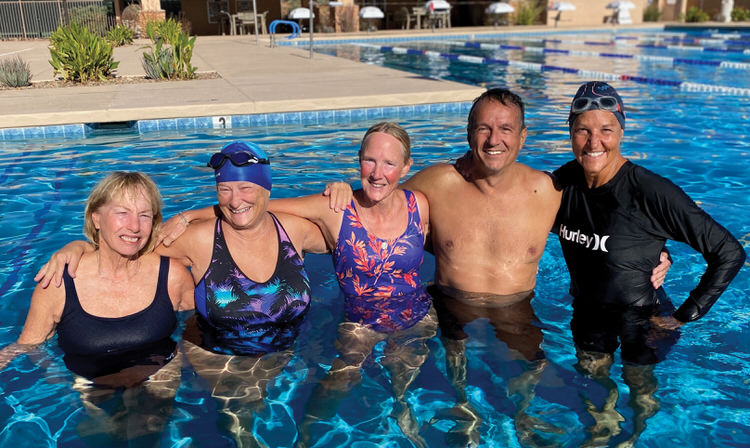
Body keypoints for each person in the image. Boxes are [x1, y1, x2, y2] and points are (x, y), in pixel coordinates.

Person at [325, 88, 673, 447]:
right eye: (484, 129)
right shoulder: (439, 182)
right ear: (469, 133)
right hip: (450, 305)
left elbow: (606, 223)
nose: (494, 140)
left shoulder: (548, 190)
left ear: (522, 137)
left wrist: (657, 253)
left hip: (517, 311)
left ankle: (523, 416)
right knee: (451, 372)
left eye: (506, 129)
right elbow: (382, 200)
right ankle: (462, 411)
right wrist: (344, 192)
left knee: (534, 371)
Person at [34, 142, 329, 447]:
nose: (234, 199)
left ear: (266, 188)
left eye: (246, 187)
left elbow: (345, 231)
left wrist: (342, 191)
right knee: (240, 432)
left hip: (286, 358)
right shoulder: (197, 239)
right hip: (221, 365)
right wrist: (78, 248)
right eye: (224, 189)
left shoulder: (296, 231)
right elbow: (127, 245)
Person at [162, 123, 437, 447]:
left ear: (407, 167)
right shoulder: (336, 209)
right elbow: (258, 207)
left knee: (406, 379)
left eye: (389, 163)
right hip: (361, 322)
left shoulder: (418, 204)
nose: (377, 173)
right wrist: (190, 216)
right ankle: (306, 437)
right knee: (340, 380)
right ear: (358, 160)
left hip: (418, 313)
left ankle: (404, 412)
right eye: (369, 161)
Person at [553, 81, 746, 446]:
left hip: (643, 319)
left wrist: (684, 315)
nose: (594, 142)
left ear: (621, 132)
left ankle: (636, 438)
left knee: (640, 394)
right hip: (587, 314)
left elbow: (729, 251)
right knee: (595, 396)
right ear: (571, 132)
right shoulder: (562, 186)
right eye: (583, 130)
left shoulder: (649, 191)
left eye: (606, 130)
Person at [0, 171, 195, 443]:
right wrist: (63, 386)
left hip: (159, 375)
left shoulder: (172, 275)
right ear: (96, 218)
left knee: (147, 434)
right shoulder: (57, 282)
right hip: (90, 384)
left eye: (144, 215)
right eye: (122, 213)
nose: (134, 226)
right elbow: (28, 344)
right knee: (103, 435)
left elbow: (199, 328)